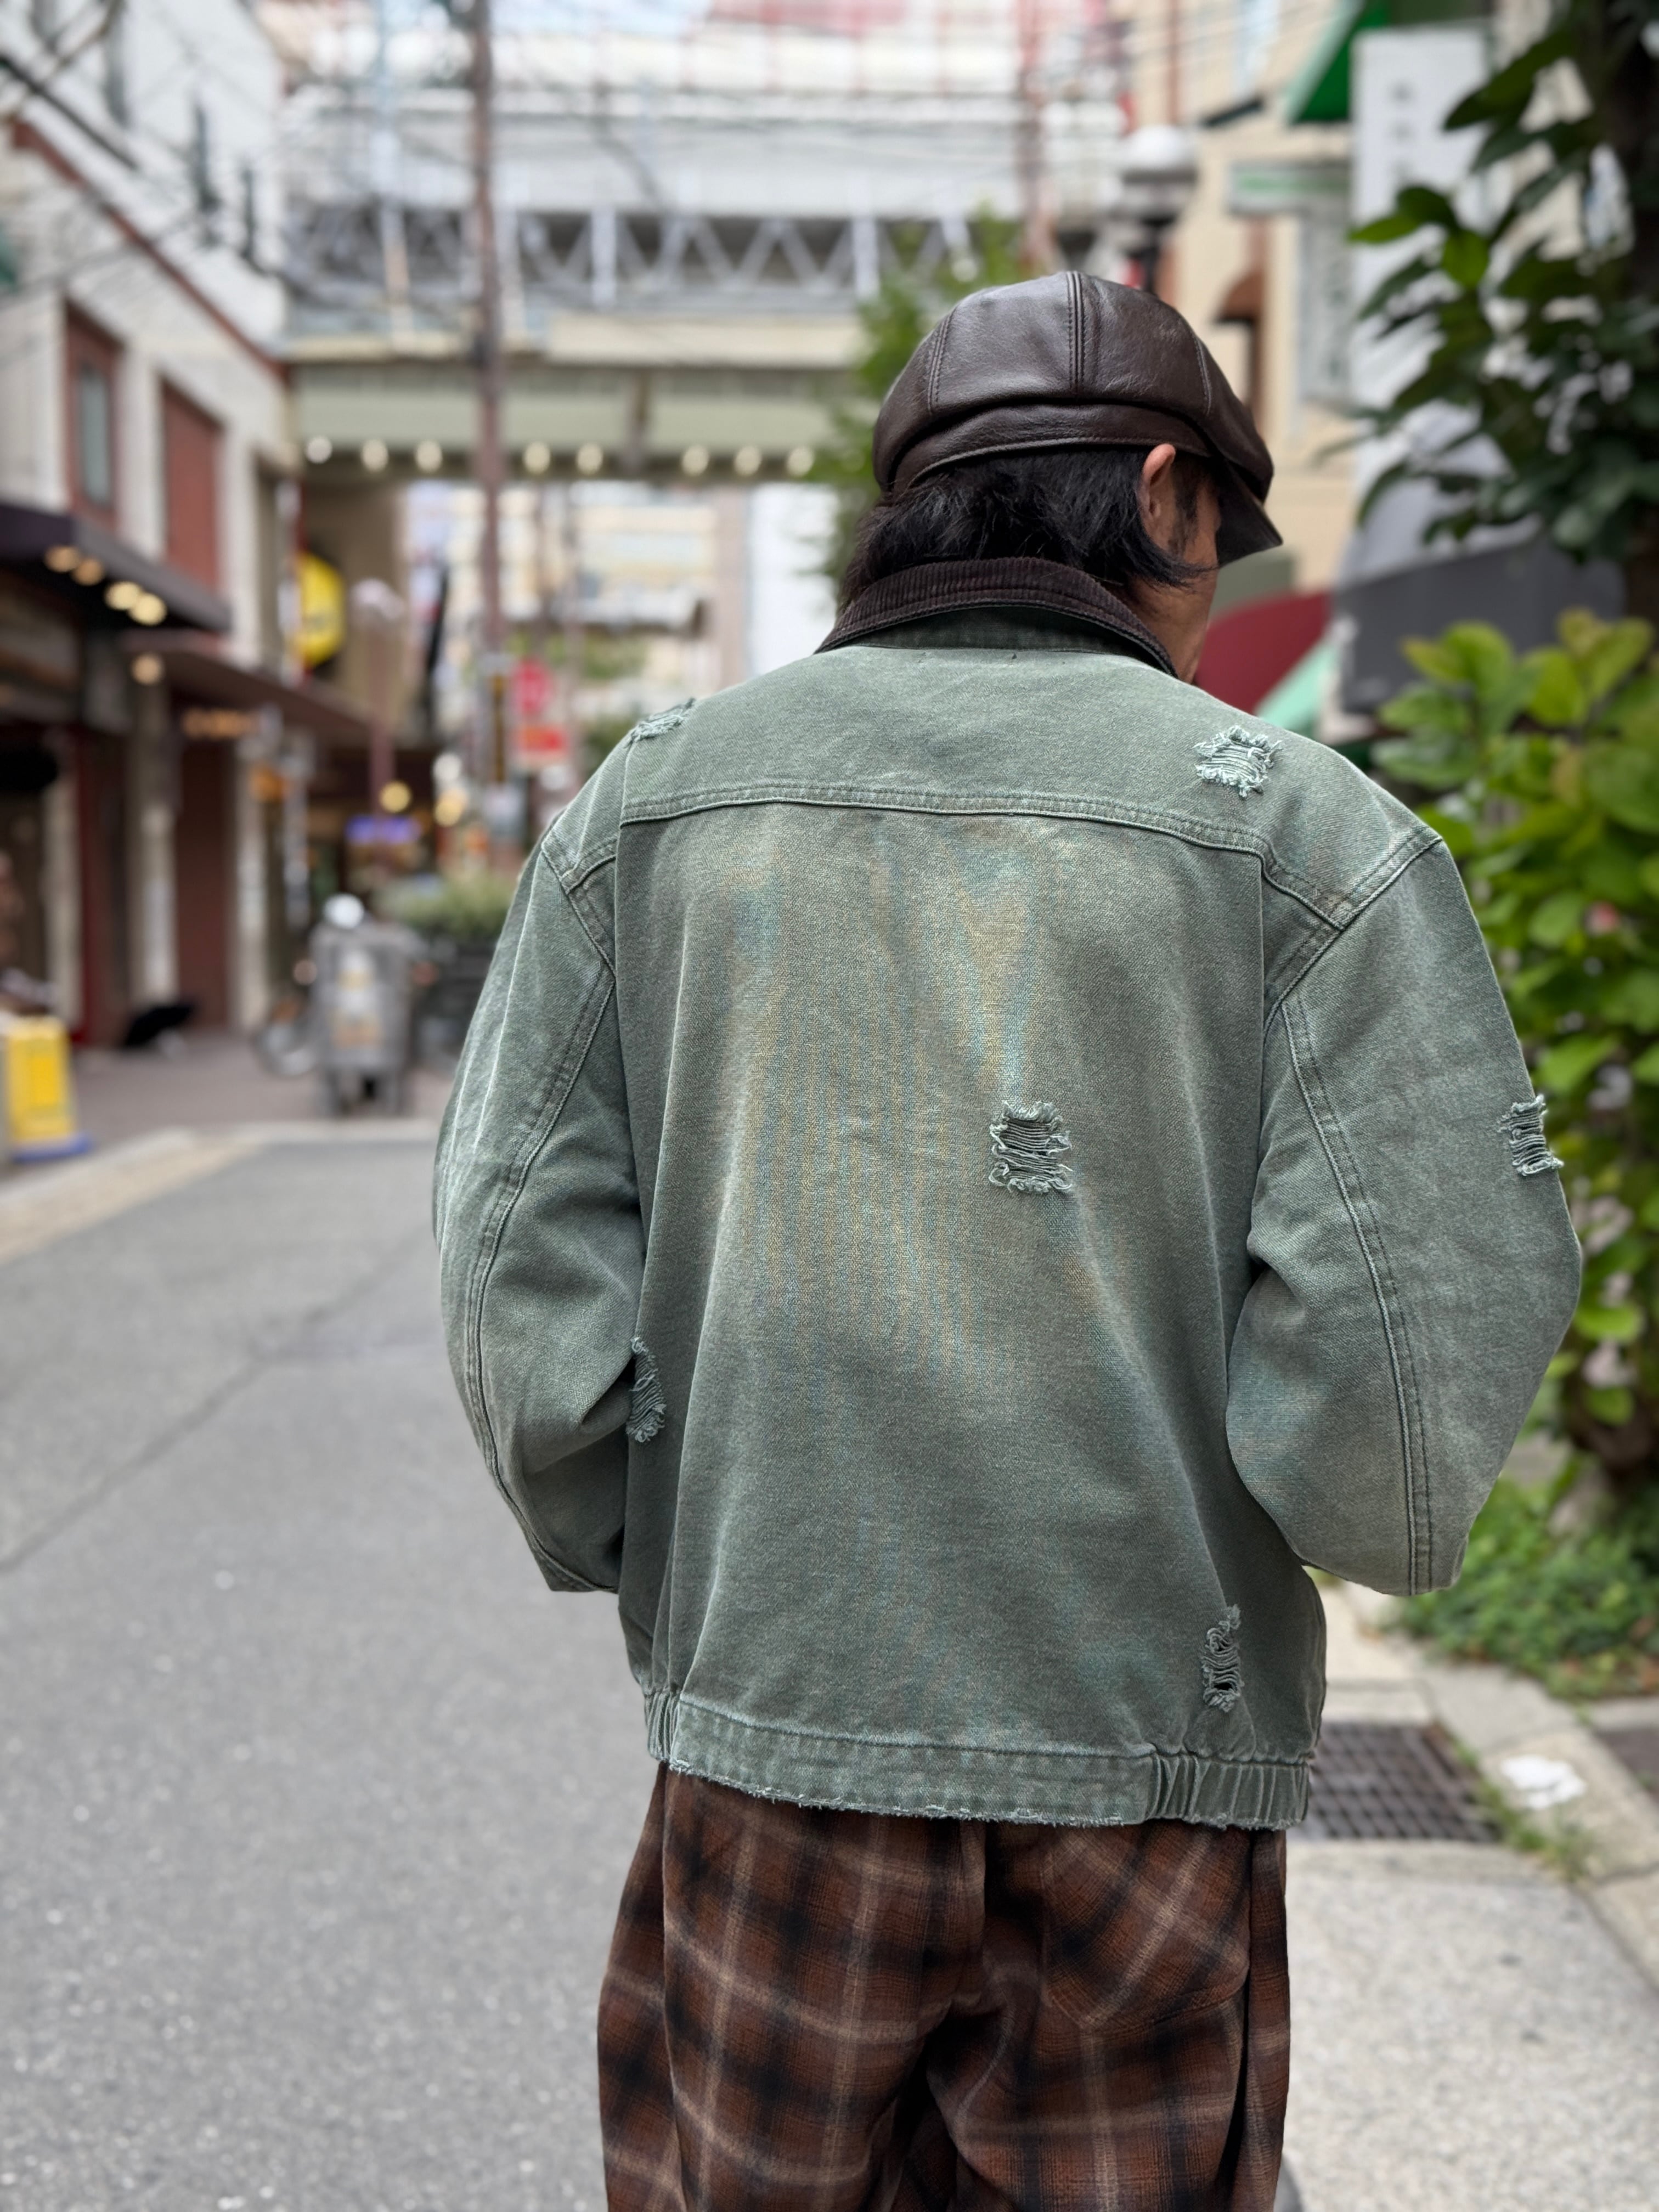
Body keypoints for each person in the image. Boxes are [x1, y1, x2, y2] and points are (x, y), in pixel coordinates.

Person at [435, 274, 1580, 2209]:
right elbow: (1411, 1348)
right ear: (1170, 498)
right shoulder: (1307, 839)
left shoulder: (654, 806)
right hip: (1146, 1759)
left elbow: (509, 1250)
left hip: (776, 1720)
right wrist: (1312, 1512)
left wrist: (669, 1531)